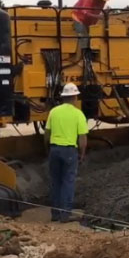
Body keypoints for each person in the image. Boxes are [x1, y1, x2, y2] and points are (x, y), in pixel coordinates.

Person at [43, 83, 88, 222]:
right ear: (75, 97)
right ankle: (65, 214)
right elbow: (82, 138)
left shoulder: (54, 112)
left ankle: (55, 214)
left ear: (63, 97)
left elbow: (47, 134)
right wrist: (82, 154)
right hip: (69, 151)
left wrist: (48, 149)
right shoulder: (78, 114)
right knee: (68, 182)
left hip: (54, 149)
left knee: (55, 182)